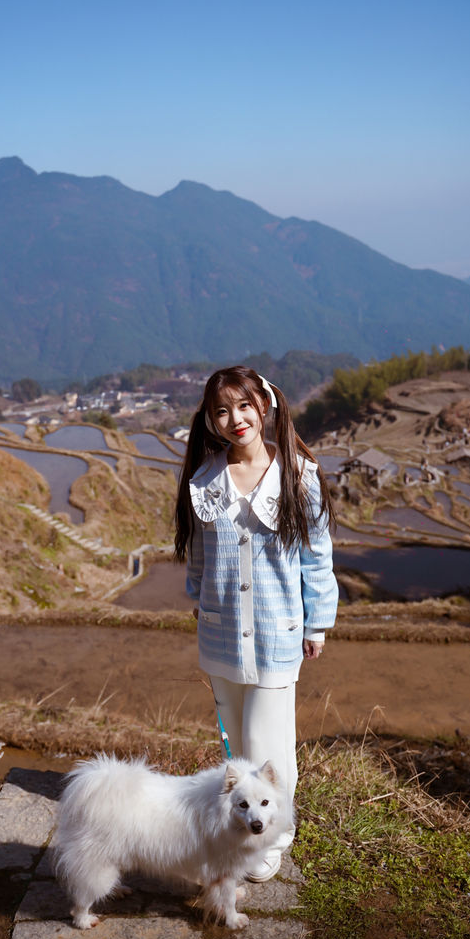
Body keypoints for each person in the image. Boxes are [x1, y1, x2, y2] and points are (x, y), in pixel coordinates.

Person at [174, 365, 338, 881]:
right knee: (236, 746)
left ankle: (276, 834)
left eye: (244, 406)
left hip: (275, 633)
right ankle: (244, 823)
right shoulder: (205, 480)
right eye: (221, 411)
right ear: (211, 420)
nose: (235, 419)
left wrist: (317, 624)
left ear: (264, 407)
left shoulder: (297, 477)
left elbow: (316, 557)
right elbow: (199, 554)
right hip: (221, 632)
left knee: (268, 743)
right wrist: (199, 597)